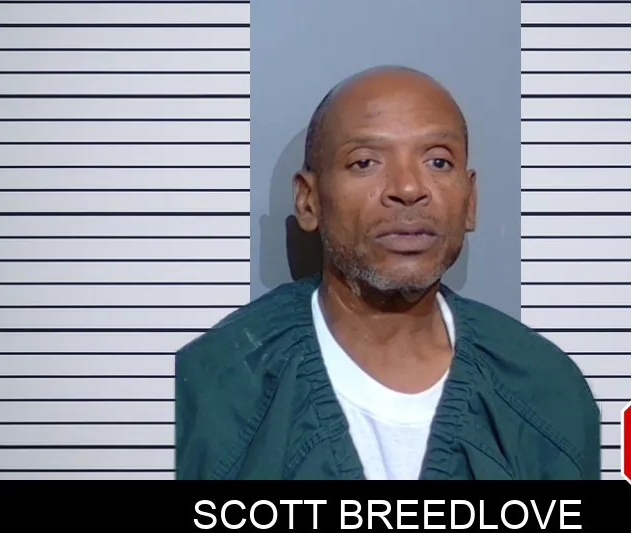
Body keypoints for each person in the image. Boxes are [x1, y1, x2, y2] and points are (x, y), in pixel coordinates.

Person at [175, 65, 601, 480]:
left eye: (438, 162)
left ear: (470, 201)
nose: (408, 188)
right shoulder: (211, 393)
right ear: (308, 201)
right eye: (365, 162)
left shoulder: (546, 393)